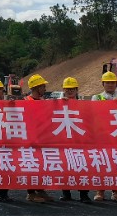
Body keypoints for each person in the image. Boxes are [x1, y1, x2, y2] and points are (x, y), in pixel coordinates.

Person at [92, 71, 117, 203]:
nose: (110, 85)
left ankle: (116, 192)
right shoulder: (97, 98)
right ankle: (100, 192)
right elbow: (94, 113)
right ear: (103, 84)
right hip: (102, 136)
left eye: (113, 82)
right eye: (107, 82)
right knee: (102, 164)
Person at [57, 77, 92, 203]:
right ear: (63, 90)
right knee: (65, 168)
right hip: (64, 141)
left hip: (80, 141)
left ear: (77, 90)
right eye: (67, 89)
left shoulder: (83, 104)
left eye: (72, 89)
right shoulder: (58, 104)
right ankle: (66, 193)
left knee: (82, 167)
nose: (70, 91)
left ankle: (84, 194)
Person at [23, 75, 55, 203]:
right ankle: (31, 193)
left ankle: (40, 190)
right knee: (32, 165)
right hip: (30, 139)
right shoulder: (26, 101)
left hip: (42, 138)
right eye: (43, 86)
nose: (45, 88)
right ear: (36, 87)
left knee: (42, 166)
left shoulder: (43, 101)